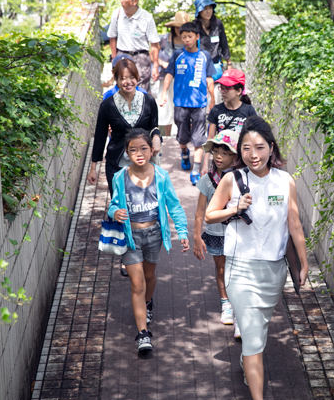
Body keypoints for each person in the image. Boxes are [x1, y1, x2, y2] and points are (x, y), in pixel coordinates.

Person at [205, 116, 309, 399]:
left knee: (258, 328)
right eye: (247, 148)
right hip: (240, 270)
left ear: (271, 147)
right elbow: (210, 215)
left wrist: (304, 263)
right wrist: (234, 208)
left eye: (260, 147)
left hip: (274, 271)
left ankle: (247, 359)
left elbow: (294, 224)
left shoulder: (285, 181)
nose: (254, 155)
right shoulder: (232, 179)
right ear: (240, 151)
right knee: (252, 338)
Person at [108, 128, 190, 354]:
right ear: (127, 153)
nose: (139, 153)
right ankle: (143, 333)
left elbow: (174, 206)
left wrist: (182, 233)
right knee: (137, 283)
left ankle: (147, 303)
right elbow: (113, 204)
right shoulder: (120, 177)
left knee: (150, 276)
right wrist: (115, 212)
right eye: (133, 150)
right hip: (130, 237)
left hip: (154, 234)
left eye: (143, 148)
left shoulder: (161, 176)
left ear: (152, 150)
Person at [87, 57, 161, 197]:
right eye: (123, 78)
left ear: (137, 78)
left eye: (132, 77)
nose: (128, 82)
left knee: (146, 203)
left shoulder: (149, 101)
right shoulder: (107, 105)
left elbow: (154, 126)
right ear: (116, 80)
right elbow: (100, 136)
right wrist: (93, 167)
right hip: (117, 165)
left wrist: (157, 137)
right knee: (120, 205)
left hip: (145, 164)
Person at [193, 129, 240, 333]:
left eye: (225, 153)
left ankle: (240, 307)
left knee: (238, 270)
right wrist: (196, 236)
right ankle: (226, 303)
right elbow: (199, 212)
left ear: (235, 156)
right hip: (216, 233)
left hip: (238, 233)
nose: (219, 157)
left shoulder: (242, 178)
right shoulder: (207, 180)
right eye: (216, 152)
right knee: (221, 269)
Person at [159, 21, 215, 186]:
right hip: (180, 103)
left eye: (190, 36)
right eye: (184, 37)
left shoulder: (205, 56)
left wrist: (212, 98)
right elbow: (169, 74)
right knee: (183, 137)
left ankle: (195, 171)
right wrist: (164, 93)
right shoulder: (177, 55)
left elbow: (209, 78)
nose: (187, 40)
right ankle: (184, 151)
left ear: (197, 37)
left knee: (198, 138)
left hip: (199, 103)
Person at [107, 0, 160, 93]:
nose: (121, 0)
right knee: (123, 89)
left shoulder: (147, 17)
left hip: (141, 57)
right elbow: (112, 37)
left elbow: (154, 44)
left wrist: (155, 66)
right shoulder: (117, 14)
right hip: (122, 55)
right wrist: (114, 58)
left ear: (134, 1)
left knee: (141, 90)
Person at [153, 11, 191, 137]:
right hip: (166, 77)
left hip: (184, 79)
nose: (179, 30)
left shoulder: (192, 42)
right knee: (164, 108)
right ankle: (165, 136)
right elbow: (153, 54)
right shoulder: (164, 39)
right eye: (177, 27)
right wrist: (162, 63)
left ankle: (183, 136)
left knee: (183, 109)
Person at [207, 68, 256, 139]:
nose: (223, 91)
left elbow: (254, 136)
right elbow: (210, 138)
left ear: (238, 91)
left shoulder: (249, 110)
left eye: (227, 88)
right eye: (221, 87)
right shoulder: (216, 110)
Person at [193, 0, 230, 79]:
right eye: (205, 9)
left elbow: (224, 43)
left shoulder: (218, 24)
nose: (208, 11)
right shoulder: (194, 26)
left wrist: (229, 63)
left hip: (216, 66)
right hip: (199, 67)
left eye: (210, 8)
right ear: (199, 11)